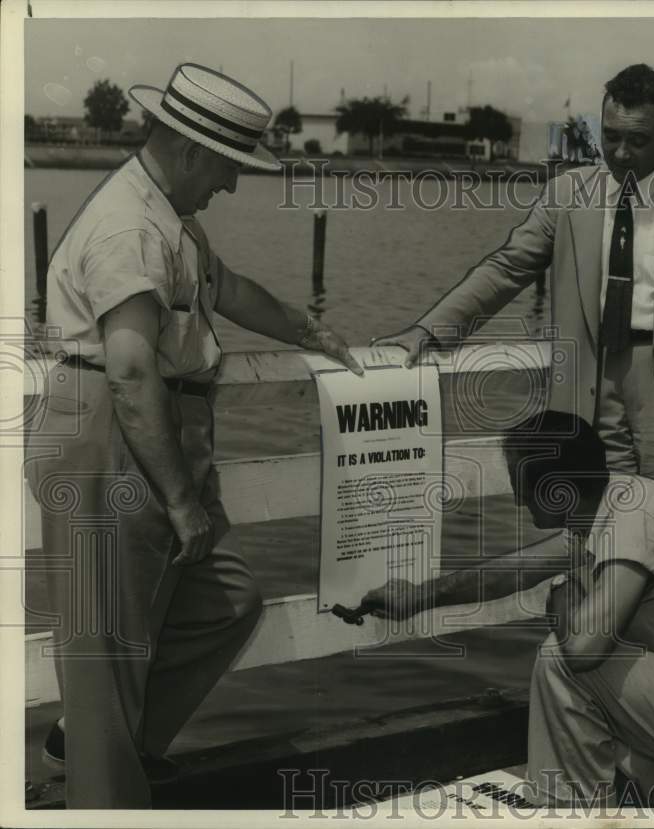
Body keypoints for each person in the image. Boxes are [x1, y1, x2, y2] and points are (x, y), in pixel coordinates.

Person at [25, 63, 362, 808]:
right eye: (228, 166)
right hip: (110, 436)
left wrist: (313, 331)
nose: (233, 184)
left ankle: (91, 745)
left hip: (150, 432)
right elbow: (132, 370)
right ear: (187, 151)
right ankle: (106, 795)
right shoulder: (129, 226)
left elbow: (230, 291)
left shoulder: (172, 219)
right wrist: (181, 501)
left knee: (228, 598)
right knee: (105, 648)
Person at [360, 410, 654, 808]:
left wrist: (565, 598)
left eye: (521, 484)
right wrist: (419, 597)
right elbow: (509, 572)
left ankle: (569, 811)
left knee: (560, 660)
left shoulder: (632, 521)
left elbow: (584, 651)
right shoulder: (608, 507)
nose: (517, 500)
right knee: (576, 651)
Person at [374, 64, 654, 496]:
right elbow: (508, 267)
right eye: (611, 136)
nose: (622, 153)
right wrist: (431, 329)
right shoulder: (566, 194)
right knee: (588, 529)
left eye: (638, 140)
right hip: (586, 389)